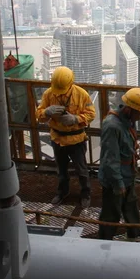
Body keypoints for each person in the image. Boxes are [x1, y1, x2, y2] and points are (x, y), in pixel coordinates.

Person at [98, 87, 140, 241]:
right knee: (111, 212)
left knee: (130, 205)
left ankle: (136, 234)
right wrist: (118, 184)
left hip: (127, 174)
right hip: (115, 178)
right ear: (130, 109)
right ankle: (104, 241)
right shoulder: (112, 126)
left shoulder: (128, 120)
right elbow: (110, 160)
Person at [36, 66, 96, 208]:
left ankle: (85, 193)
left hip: (77, 139)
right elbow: (38, 115)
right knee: (61, 169)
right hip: (58, 138)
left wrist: (76, 119)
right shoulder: (49, 94)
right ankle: (62, 192)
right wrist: (47, 112)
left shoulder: (81, 94)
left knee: (81, 170)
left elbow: (91, 114)